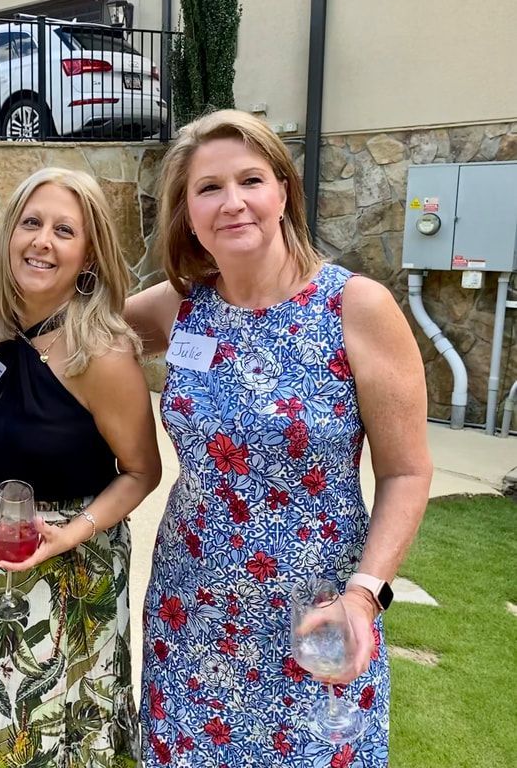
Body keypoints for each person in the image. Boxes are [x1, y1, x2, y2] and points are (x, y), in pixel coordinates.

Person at [125, 109, 433, 766]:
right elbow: (72, 337)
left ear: (283, 191)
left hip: (317, 617)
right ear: (187, 212)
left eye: (250, 180)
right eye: (208, 188)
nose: (232, 202)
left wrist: (365, 597)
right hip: (191, 612)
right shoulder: (178, 307)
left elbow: (406, 472)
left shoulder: (355, 307)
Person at [0, 167, 162, 766]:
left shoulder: (101, 353)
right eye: (31, 223)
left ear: (88, 254)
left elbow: (142, 471)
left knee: (59, 734)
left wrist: (73, 532)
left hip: (74, 564)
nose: (42, 241)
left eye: (64, 230)